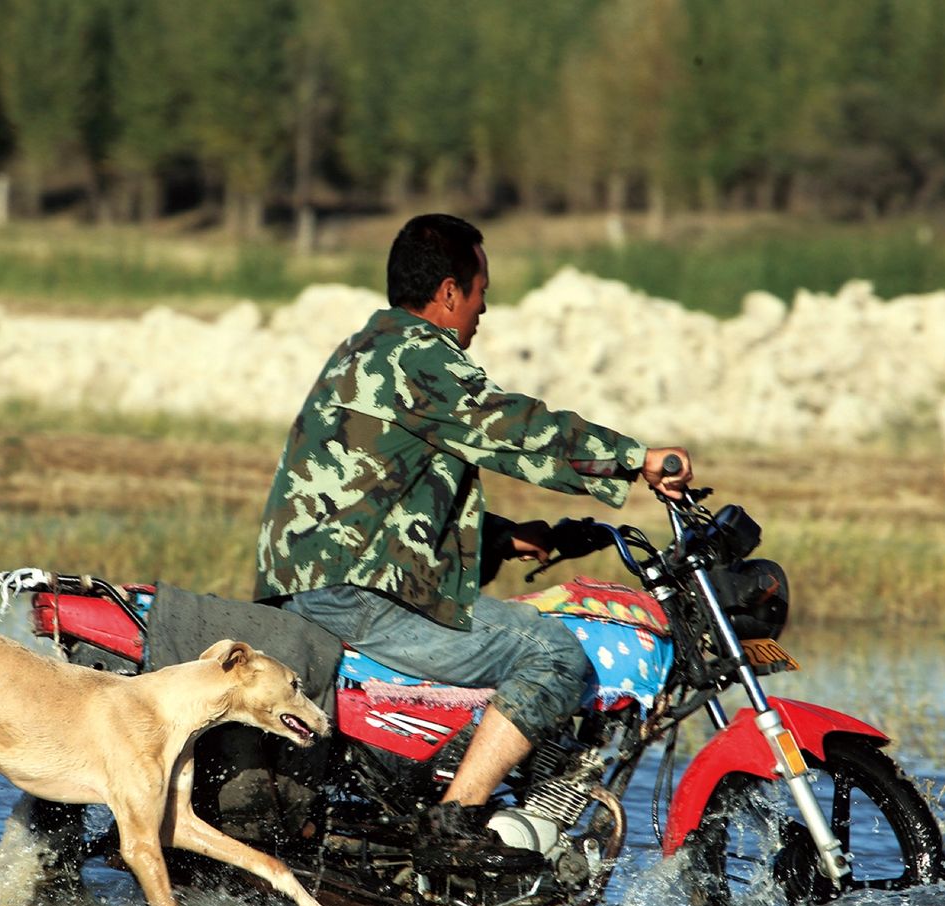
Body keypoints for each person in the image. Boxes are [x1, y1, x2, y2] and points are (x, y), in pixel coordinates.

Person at [254, 213, 692, 839]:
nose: (484, 308)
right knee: (552, 653)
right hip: (351, 596)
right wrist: (635, 458)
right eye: (481, 292)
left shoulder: (368, 347)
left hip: (321, 583)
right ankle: (456, 820)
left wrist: (502, 537)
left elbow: (386, 497)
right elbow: (508, 428)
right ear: (450, 292)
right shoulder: (417, 355)